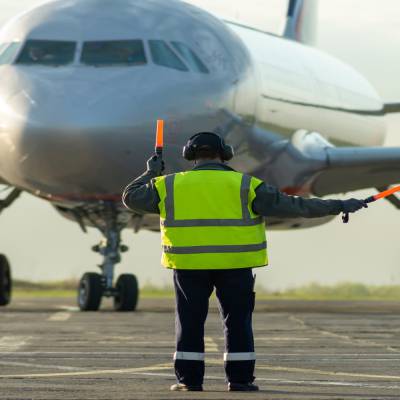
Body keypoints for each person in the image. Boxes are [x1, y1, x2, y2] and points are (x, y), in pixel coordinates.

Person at [122, 132, 367, 392]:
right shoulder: (246, 185)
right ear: (225, 154)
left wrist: (150, 173)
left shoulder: (168, 185)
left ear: (190, 155)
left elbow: (130, 198)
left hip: (189, 265)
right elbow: (296, 206)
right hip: (236, 265)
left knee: (190, 322)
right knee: (237, 322)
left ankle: (188, 381)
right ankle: (240, 381)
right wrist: (339, 205)